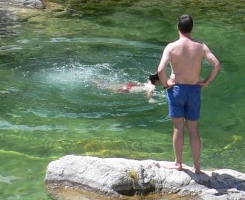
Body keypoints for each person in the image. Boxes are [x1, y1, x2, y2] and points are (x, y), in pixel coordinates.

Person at [156, 14, 221, 173]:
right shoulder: (201, 47)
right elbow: (217, 65)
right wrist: (206, 82)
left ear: (178, 27)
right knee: (193, 128)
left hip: (176, 89)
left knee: (178, 127)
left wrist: (166, 84)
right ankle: (197, 167)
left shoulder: (171, 47)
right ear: (191, 29)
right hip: (193, 90)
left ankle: (178, 163)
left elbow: (160, 70)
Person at [94, 72, 165, 100]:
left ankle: (95, 81)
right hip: (127, 90)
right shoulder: (152, 86)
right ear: (157, 81)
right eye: (162, 79)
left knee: (106, 86)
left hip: (129, 86)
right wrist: (151, 100)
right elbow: (149, 93)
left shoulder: (149, 82)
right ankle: (95, 81)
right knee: (104, 87)